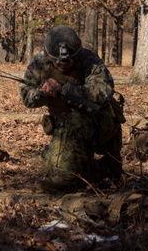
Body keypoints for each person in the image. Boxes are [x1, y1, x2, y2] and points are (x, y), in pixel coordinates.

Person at [20, 25, 125, 194]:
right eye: (57, 62)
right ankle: (106, 168)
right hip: (64, 126)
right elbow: (26, 95)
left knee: (64, 170)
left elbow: (103, 92)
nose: (62, 65)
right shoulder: (40, 63)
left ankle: (67, 181)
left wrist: (65, 89)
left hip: (97, 124)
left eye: (68, 62)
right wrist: (41, 94)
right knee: (50, 170)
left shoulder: (90, 61)